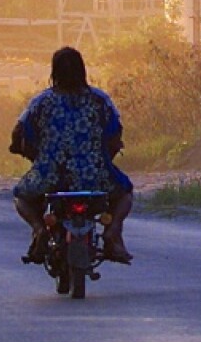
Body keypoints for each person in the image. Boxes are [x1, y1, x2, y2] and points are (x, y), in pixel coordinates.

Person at [11, 46, 134, 264]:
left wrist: (30, 155)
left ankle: (39, 230)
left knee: (21, 196)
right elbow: (116, 135)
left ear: (54, 72)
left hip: (50, 176)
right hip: (94, 176)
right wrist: (103, 160)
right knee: (125, 194)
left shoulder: (41, 102)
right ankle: (112, 233)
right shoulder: (100, 100)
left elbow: (20, 132)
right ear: (82, 70)